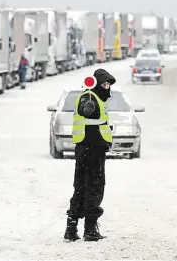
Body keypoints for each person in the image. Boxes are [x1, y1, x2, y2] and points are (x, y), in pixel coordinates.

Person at [64, 68, 116, 242]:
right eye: (104, 83)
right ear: (96, 83)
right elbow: (84, 109)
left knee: (82, 188)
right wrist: (87, 108)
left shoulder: (99, 98)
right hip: (91, 150)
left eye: (108, 83)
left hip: (90, 149)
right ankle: (89, 230)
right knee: (93, 187)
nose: (107, 86)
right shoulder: (89, 97)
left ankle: (71, 229)